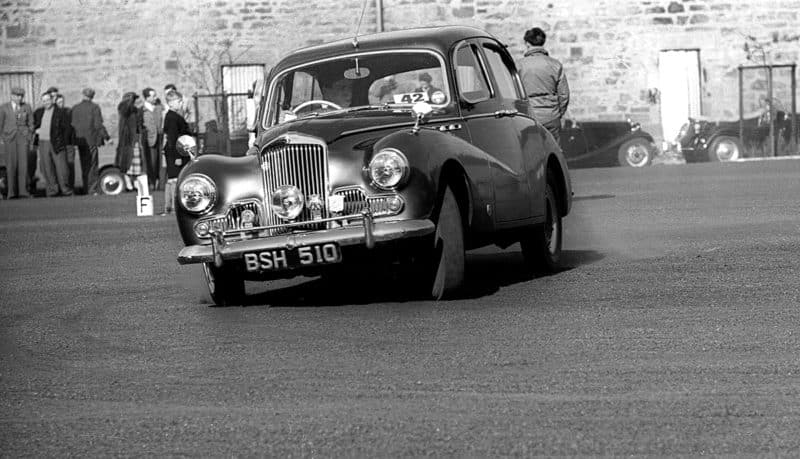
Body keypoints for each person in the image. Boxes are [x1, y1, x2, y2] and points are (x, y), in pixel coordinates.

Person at [518, 27, 570, 143]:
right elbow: (564, 94)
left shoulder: (519, 66)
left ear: (527, 43)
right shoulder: (555, 65)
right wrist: (558, 113)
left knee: (531, 152)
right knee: (554, 153)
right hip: (551, 116)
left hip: (528, 117)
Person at [33, 91, 73, 196]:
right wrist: (35, 130)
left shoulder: (60, 112)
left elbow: (67, 129)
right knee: (47, 168)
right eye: (44, 100)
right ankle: (52, 191)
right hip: (43, 143)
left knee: (62, 168)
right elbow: (33, 125)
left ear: (52, 100)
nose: (46, 102)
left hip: (56, 142)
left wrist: (63, 141)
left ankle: (65, 190)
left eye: (47, 100)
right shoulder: (39, 112)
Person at [71, 88, 108, 195]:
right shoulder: (94, 107)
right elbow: (98, 125)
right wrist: (106, 137)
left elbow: (73, 124)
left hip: (79, 140)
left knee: (84, 165)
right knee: (92, 165)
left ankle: (85, 187)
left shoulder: (75, 108)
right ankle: (91, 189)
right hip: (91, 140)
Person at [0, 87, 34, 198]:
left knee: (23, 165)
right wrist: (2, 139)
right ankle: (11, 192)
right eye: (17, 95)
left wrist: (29, 135)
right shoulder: (4, 108)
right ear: (12, 96)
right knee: (10, 165)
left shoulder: (27, 107)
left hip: (23, 139)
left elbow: (31, 123)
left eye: (21, 96)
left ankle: (23, 191)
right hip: (9, 139)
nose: (19, 98)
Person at [162, 90, 190, 215]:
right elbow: (173, 138)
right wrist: (177, 156)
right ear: (171, 103)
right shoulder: (173, 118)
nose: (181, 103)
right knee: (175, 180)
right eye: (179, 101)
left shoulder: (171, 116)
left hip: (171, 151)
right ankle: (174, 207)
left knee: (171, 179)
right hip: (175, 152)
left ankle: (168, 206)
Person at [115, 91, 143, 190]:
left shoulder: (135, 110)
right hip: (126, 139)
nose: (134, 101)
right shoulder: (123, 108)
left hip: (134, 138)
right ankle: (127, 181)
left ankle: (134, 181)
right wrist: (129, 100)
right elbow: (126, 109)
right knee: (127, 162)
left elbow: (139, 124)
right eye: (133, 99)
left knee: (135, 162)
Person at [141, 87, 163, 190]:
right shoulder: (142, 110)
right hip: (148, 140)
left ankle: (157, 182)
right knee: (150, 162)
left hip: (159, 138)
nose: (155, 97)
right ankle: (151, 182)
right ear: (147, 97)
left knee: (158, 162)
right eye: (153, 96)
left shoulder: (158, 108)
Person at [55, 94, 77, 190]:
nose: (61, 104)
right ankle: (62, 187)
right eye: (59, 102)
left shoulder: (68, 112)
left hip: (69, 143)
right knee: (61, 167)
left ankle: (70, 186)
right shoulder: (53, 114)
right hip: (59, 144)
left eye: (62, 101)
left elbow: (73, 126)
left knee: (70, 165)